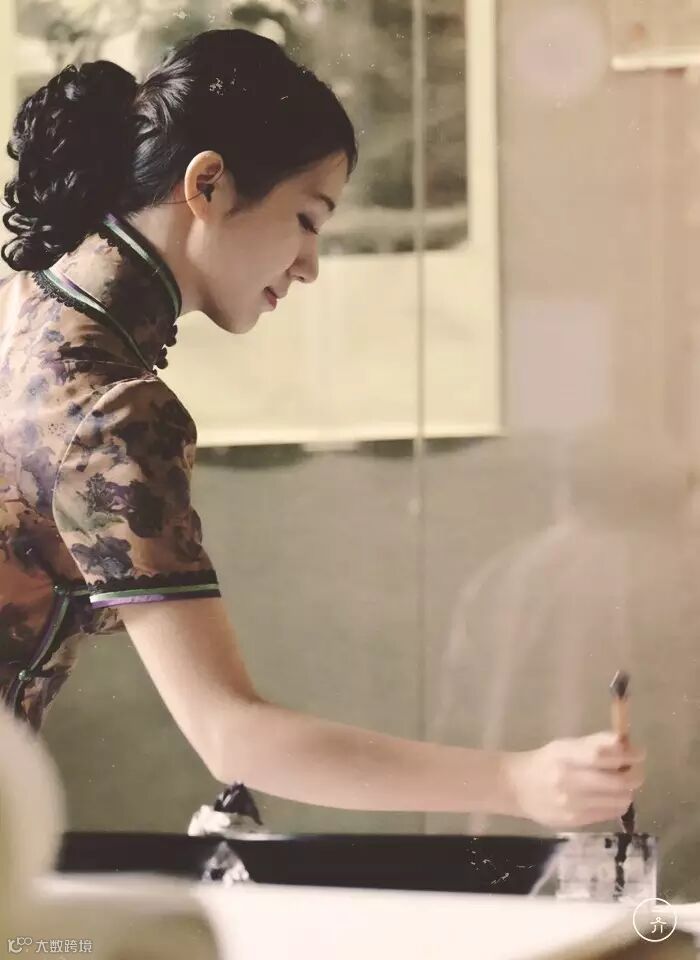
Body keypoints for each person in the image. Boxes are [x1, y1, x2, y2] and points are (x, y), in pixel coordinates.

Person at [0, 28, 643, 829]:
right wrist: (519, 782)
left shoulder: (19, 306)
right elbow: (233, 737)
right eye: (307, 219)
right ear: (208, 184)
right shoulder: (110, 409)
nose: (309, 264)